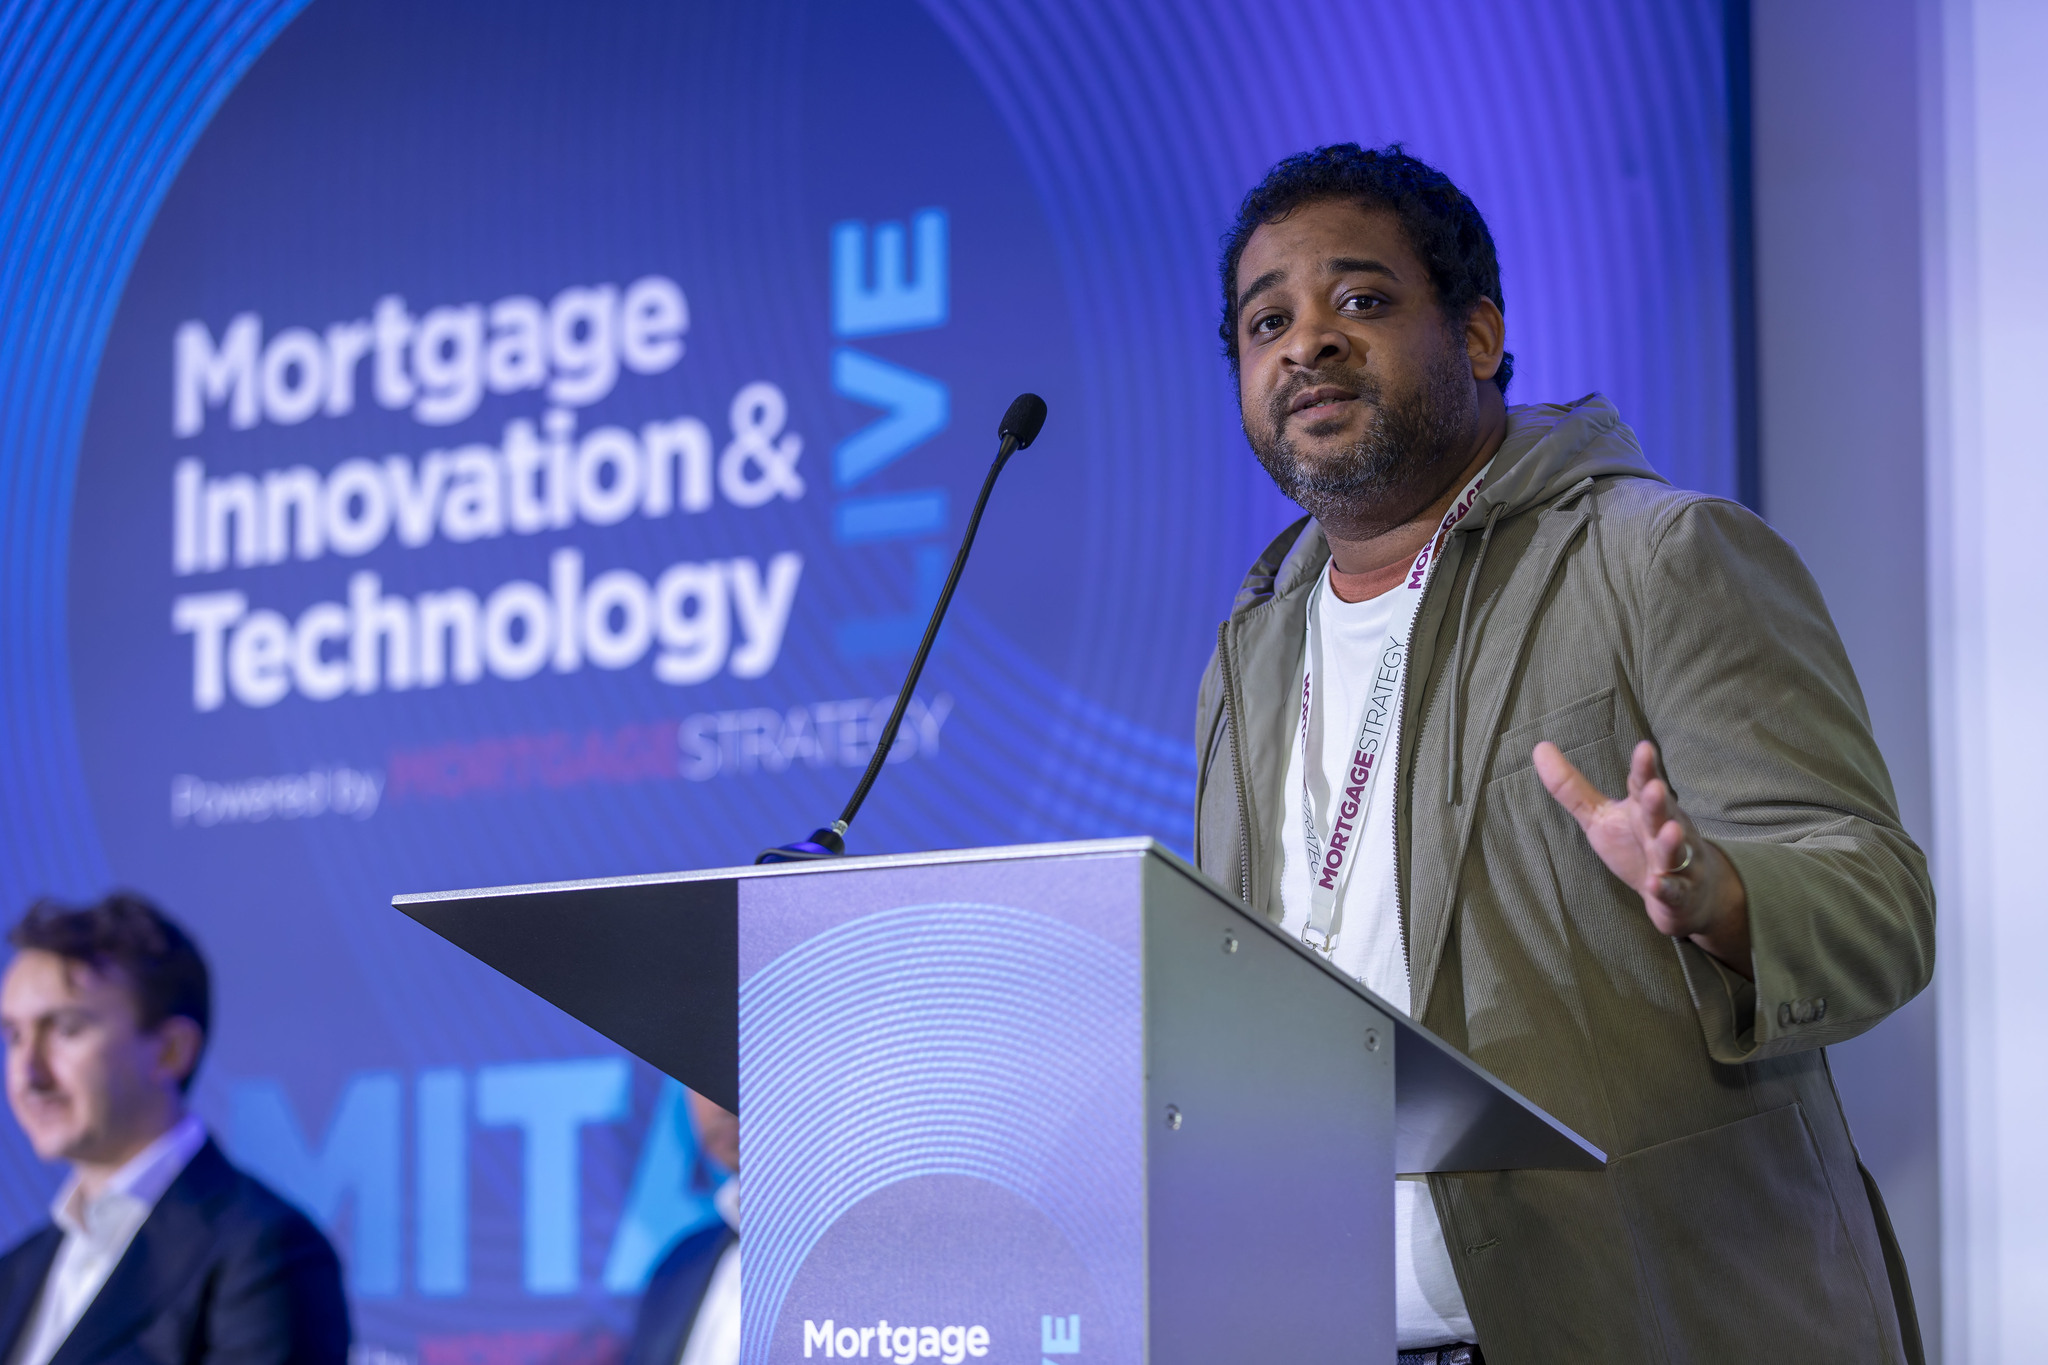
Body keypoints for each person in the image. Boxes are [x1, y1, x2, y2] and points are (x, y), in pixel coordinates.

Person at [1194, 144, 1933, 1365]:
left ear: (1478, 335)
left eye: (1360, 300)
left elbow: (1879, 904)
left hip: (1656, 1324)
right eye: (1264, 322)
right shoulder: (1247, 656)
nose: (1306, 342)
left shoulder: (1658, 556)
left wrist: (1720, 897)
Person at [0, 893, 349, 1364]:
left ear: (171, 1051)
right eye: (14, 1036)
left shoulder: (266, 1251)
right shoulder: (15, 1271)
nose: (28, 1074)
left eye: (66, 1029)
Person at [624, 1089, 738, 1365]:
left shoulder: (840, 1256)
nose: (719, 1104)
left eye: (743, 1070)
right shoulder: (680, 1266)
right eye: (701, 1078)